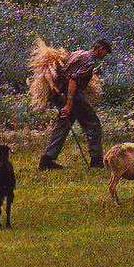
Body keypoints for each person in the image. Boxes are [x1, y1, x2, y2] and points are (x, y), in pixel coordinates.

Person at [38, 39, 112, 171]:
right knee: (93, 124)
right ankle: (96, 162)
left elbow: (64, 70)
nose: (104, 56)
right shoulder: (89, 61)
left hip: (60, 92)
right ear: (99, 48)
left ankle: (47, 160)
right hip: (72, 94)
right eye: (105, 52)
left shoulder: (79, 53)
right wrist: (69, 104)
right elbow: (73, 80)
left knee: (63, 125)